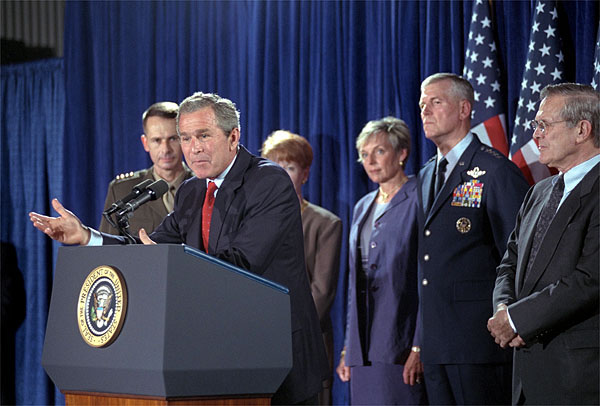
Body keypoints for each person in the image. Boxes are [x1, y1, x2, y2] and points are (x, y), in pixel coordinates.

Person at [29, 92, 328, 405]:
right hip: (220, 356)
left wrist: (168, 264)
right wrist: (88, 237)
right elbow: (152, 243)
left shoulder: (268, 181)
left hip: (275, 355)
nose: (192, 148)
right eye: (185, 138)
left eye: (203, 135)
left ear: (233, 136)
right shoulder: (192, 189)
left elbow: (241, 265)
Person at [416, 73, 530, 405]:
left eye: (436, 102)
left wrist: (510, 317)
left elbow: (518, 255)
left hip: (478, 340)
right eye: (423, 104)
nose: (425, 111)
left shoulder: (494, 171)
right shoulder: (425, 174)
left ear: (465, 108)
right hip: (436, 341)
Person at [488, 83, 599, 405]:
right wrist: (503, 308)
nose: (535, 135)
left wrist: (518, 319)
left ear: (582, 130)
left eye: (543, 125)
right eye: (536, 125)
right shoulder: (539, 191)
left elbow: (590, 278)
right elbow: (509, 261)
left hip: (579, 374)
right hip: (526, 369)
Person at [335, 117, 427, 405]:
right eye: (364, 154)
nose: (371, 161)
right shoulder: (363, 205)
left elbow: (427, 277)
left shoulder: (420, 197)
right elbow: (354, 282)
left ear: (401, 154)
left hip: (400, 342)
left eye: (379, 151)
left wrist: (419, 346)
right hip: (363, 349)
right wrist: (348, 349)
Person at [261, 130, 343, 405]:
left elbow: (321, 293)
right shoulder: (254, 223)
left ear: (305, 174)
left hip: (306, 344)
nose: (282, 174)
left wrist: (281, 329)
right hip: (262, 344)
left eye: (290, 167)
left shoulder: (325, 223)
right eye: (275, 167)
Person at [99, 101, 193, 235]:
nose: (165, 149)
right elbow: (107, 249)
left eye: (172, 139)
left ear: (184, 139)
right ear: (145, 143)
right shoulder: (122, 191)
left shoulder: (204, 186)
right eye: (157, 140)